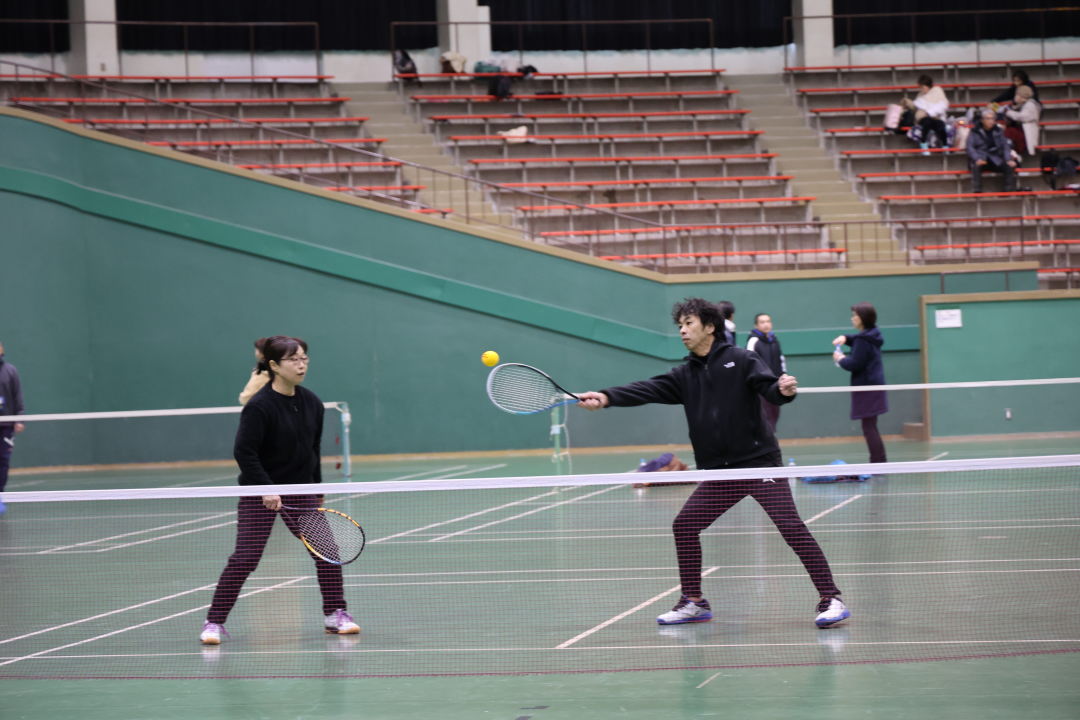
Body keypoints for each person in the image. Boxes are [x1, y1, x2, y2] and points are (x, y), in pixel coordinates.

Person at [577, 298, 850, 629]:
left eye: (689, 323)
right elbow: (647, 389)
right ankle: (693, 602)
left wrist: (784, 391)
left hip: (759, 464)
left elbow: (770, 389)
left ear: (709, 327)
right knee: (685, 525)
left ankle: (830, 598)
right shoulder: (685, 375)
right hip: (721, 472)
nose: (682, 330)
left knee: (790, 526)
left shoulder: (742, 359)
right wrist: (606, 397)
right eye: (680, 324)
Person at [201, 336, 359, 645]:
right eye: (294, 359)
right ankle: (214, 622)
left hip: (300, 491)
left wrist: (317, 488)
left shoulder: (312, 402)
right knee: (246, 558)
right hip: (259, 493)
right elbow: (245, 452)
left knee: (327, 552)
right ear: (274, 365)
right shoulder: (259, 407)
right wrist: (266, 488)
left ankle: (335, 613)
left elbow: (312, 448)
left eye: (305, 358)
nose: (301, 365)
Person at [832, 303, 888, 465]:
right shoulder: (873, 334)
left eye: (855, 316)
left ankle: (878, 463)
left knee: (869, 427)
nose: (852, 318)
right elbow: (858, 340)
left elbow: (855, 364)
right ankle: (880, 461)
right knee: (871, 425)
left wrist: (840, 359)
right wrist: (845, 337)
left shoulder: (864, 340)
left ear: (862, 318)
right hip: (874, 386)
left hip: (867, 388)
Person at [746, 313, 787, 432]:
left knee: (773, 416)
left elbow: (781, 359)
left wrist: (783, 375)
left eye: (768, 321)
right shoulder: (753, 341)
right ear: (756, 325)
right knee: (762, 417)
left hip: (775, 385)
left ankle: (770, 438)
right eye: (762, 322)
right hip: (759, 388)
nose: (766, 324)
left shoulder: (774, 340)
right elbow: (749, 361)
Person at [0, 340, 26, 514]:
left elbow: (18, 396)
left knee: (3, 461)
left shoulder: (10, 371)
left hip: (6, 426)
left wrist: (20, 418)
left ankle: (0, 495)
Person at [966, 108, 1017, 193]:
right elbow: (970, 147)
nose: (991, 121)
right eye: (988, 119)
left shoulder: (999, 131)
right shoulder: (975, 131)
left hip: (996, 158)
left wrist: (1008, 159)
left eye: (992, 119)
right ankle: (977, 190)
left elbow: (1005, 146)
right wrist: (977, 158)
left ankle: (1007, 190)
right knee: (976, 166)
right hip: (981, 157)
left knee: (1009, 166)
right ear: (982, 120)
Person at [901, 75, 949, 150]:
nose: (921, 89)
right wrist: (908, 103)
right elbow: (916, 106)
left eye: (922, 87)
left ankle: (945, 145)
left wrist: (929, 112)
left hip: (937, 117)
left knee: (940, 125)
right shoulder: (920, 95)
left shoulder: (937, 91)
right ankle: (923, 143)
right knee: (926, 122)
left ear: (926, 86)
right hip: (924, 118)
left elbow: (943, 105)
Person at [1002, 85, 1041, 158]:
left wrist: (1008, 112)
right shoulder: (1022, 105)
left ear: (1021, 96)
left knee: (1010, 132)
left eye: (1016, 94)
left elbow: (1022, 117)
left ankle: (1012, 154)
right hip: (1022, 132)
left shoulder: (1030, 105)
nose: (1015, 97)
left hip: (1026, 135)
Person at [238, 337, 270, 405]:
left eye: (256, 350)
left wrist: (243, 397)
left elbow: (245, 398)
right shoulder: (280, 370)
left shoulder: (262, 374)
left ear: (261, 352)